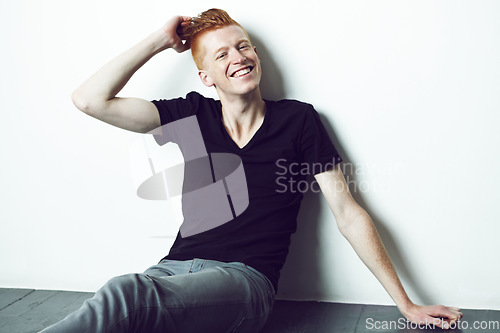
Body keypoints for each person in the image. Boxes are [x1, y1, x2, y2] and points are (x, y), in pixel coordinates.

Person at [43, 8, 463, 333]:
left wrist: (405, 304)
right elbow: (89, 100)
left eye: (243, 46)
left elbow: (348, 213)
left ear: (256, 55)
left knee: (124, 294)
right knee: (130, 308)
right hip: (170, 272)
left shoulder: (297, 121)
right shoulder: (191, 113)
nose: (238, 57)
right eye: (222, 54)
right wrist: (158, 40)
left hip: (244, 281)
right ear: (205, 76)